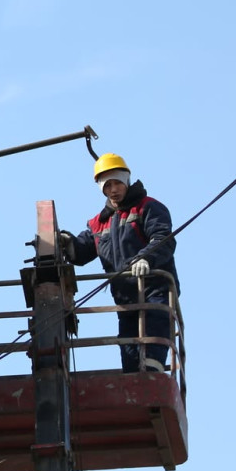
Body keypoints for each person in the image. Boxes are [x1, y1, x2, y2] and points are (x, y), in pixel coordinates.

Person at [62, 153, 180, 373]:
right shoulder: (99, 222)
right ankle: (133, 380)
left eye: (117, 183)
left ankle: (153, 377)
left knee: (153, 343)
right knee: (129, 350)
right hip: (125, 298)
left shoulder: (148, 208)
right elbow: (82, 251)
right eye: (108, 186)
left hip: (155, 290)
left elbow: (163, 239)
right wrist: (67, 244)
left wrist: (145, 257)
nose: (113, 189)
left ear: (126, 180)